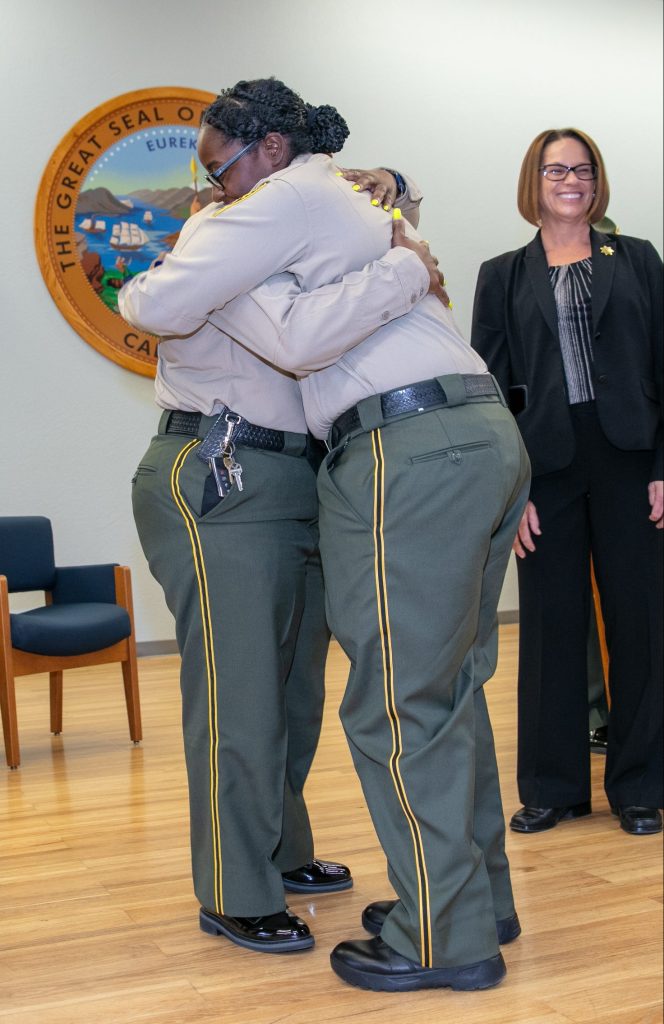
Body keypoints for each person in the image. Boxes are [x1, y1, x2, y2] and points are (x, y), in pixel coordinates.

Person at [122, 76, 530, 992]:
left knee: (322, 687)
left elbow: (348, 227)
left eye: (219, 170)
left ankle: (405, 895)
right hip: (225, 464)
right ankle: (242, 883)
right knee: (259, 690)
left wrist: (395, 208)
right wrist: (405, 259)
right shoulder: (236, 230)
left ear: (268, 149)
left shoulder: (303, 205)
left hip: (339, 460)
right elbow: (162, 306)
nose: (215, 190)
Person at [471, 127, 663, 838]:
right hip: (543, 467)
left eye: (582, 169)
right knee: (551, 627)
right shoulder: (504, 274)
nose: (571, 180)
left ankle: (641, 785)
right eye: (557, 170)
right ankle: (553, 788)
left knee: (640, 623)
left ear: (597, 180)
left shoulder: (639, 260)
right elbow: (488, 393)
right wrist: (509, 488)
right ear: (535, 182)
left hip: (630, 461)